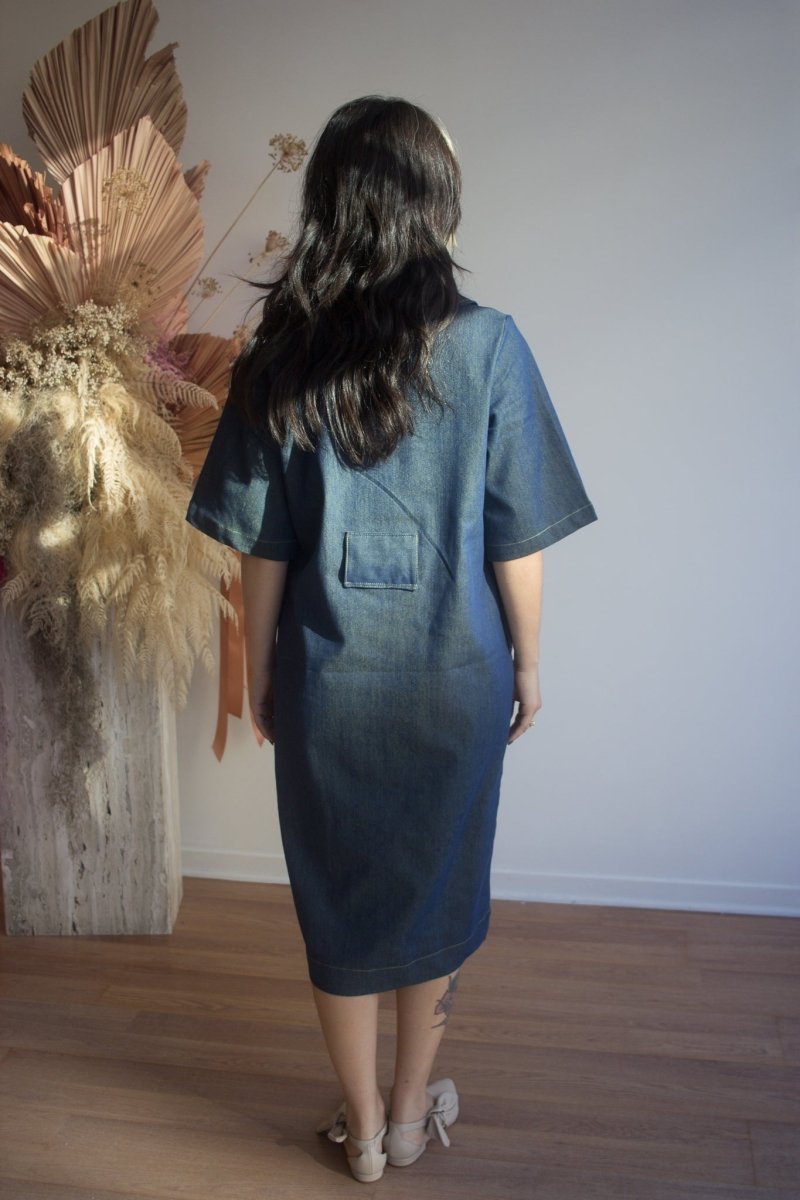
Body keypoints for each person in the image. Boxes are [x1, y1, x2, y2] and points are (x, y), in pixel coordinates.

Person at [185, 94, 598, 1183]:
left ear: (329, 202)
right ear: (432, 205)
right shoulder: (489, 346)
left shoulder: (277, 355)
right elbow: (517, 541)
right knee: (436, 889)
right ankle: (413, 1113)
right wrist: (530, 662)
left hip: (328, 679)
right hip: (456, 678)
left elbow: (262, 548)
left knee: (339, 902)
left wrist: (258, 670)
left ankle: (363, 1127)